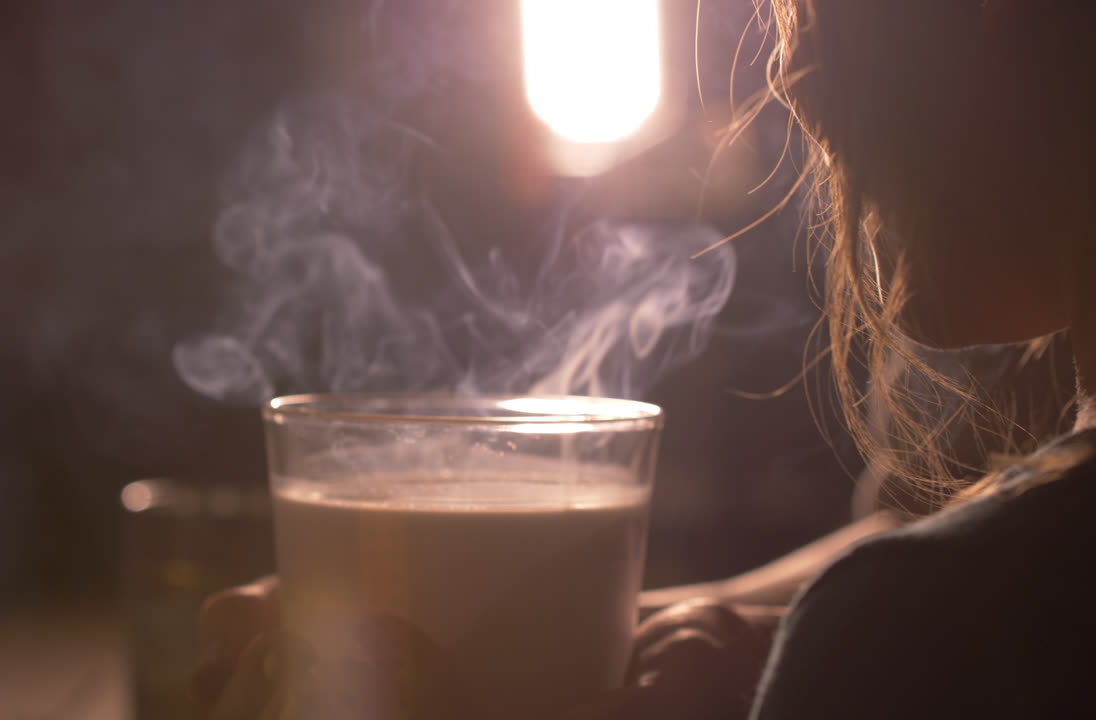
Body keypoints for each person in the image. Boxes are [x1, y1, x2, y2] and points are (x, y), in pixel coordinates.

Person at [193, 0, 1096, 717]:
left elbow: (924, 592)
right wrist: (666, 641)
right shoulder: (974, 560)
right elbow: (938, 519)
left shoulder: (939, 625)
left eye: (806, 7)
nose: (788, 74)